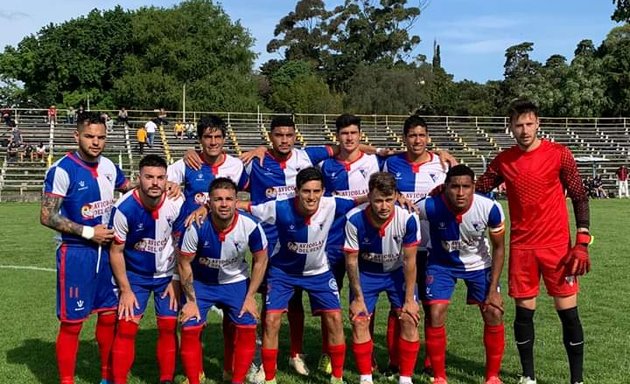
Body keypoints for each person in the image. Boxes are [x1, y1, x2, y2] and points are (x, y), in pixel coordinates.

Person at [476, 100, 591, 384]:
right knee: (524, 315)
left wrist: (583, 241)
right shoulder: (504, 161)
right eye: (519, 125)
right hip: (523, 249)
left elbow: (578, 195)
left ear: (538, 123)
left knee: (569, 315)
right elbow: (477, 188)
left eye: (529, 124)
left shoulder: (559, 154)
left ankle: (576, 380)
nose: (525, 130)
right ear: (510, 128)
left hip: (558, 248)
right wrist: (447, 181)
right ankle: (528, 377)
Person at [245, 167, 361, 384]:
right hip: (283, 272)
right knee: (271, 320)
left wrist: (396, 198)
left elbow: (363, 199)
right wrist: (206, 208)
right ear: (296, 191)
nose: (311, 197)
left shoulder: (332, 203)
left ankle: (337, 378)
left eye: (316, 191)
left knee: (335, 318)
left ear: (323, 191)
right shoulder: (279, 207)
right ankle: (269, 377)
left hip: (318, 272)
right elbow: (247, 206)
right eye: (306, 191)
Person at [40, 112, 131, 384]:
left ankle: (105, 376)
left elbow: (130, 192)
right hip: (76, 252)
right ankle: (66, 380)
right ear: (76, 136)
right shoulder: (62, 169)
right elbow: (47, 216)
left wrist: (166, 187)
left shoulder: (110, 167)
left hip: (108, 253)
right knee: (72, 322)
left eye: (101, 137)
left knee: (108, 315)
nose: (96, 142)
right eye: (90, 136)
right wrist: (89, 232)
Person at [167, 115, 248, 383]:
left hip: (224, 246)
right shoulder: (187, 162)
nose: (213, 142)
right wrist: (171, 183)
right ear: (199, 139)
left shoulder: (235, 165)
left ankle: (230, 367)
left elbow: (242, 191)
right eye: (207, 137)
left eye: (217, 137)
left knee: (232, 318)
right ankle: (194, 368)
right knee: (190, 312)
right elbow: (161, 181)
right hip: (189, 245)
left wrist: (259, 150)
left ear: (224, 139)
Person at [420, 165, 506, 384]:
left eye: (466, 187)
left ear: (473, 187)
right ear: (445, 187)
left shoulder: (490, 208)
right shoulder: (429, 206)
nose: (460, 192)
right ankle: (439, 376)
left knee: (494, 312)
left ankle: (492, 376)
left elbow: (499, 248)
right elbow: (400, 213)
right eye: (455, 186)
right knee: (436, 311)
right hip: (441, 264)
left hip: (479, 265)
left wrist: (494, 288)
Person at [178, 177, 268, 384]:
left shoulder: (251, 226)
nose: (224, 204)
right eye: (218, 199)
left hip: (235, 282)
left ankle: (236, 379)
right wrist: (191, 301)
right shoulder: (196, 226)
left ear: (237, 201)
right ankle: (194, 380)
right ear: (209, 202)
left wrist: (250, 296)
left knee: (247, 325)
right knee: (190, 325)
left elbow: (261, 260)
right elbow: (184, 263)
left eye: (229, 199)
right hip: (202, 283)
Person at [381, 114, 450, 378]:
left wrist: (448, 156)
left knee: (434, 306)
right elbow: (381, 188)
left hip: (433, 248)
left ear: (428, 138)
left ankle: (432, 363)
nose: (417, 140)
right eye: (412, 135)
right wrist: (397, 195)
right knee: (399, 305)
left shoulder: (441, 165)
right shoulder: (391, 163)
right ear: (404, 138)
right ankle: (394, 361)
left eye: (422, 135)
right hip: (399, 249)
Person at [108, 154, 184, 384]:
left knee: (168, 326)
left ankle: (166, 379)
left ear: (166, 179)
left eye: (160, 177)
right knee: (127, 328)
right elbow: (116, 252)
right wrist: (126, 290)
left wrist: (176, 278)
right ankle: (119, 380)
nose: (155, 182)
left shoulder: (176, 202)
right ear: (138, 178)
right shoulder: (123, 208)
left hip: (167, 277)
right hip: (135, 278)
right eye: (149, 177)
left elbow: (182, 245)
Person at [317, 113, 381, 373]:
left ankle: (369, 353)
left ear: (360, 134)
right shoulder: (325, 166)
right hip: (332, 241)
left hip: (365, 239)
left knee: (365, 297)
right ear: (337, 136)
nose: (350, 137)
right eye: (345, 133)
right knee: (328, 299)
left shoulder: (375, 162)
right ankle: (327, 351)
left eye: (354, 133)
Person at [344, 172, 421, 384]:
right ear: (369, 197)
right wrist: (357, 297)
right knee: (359, 320)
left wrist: (410, 300)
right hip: (367, 273)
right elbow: (351, 262)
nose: (384, 206)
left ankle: (405, 378)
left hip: (397, 273)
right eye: (378, 200)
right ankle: (365, 378)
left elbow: (410, 261)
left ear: (396, 196)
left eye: (388, 200)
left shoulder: (408, 218)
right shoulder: (354, 219)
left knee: (409, 317)